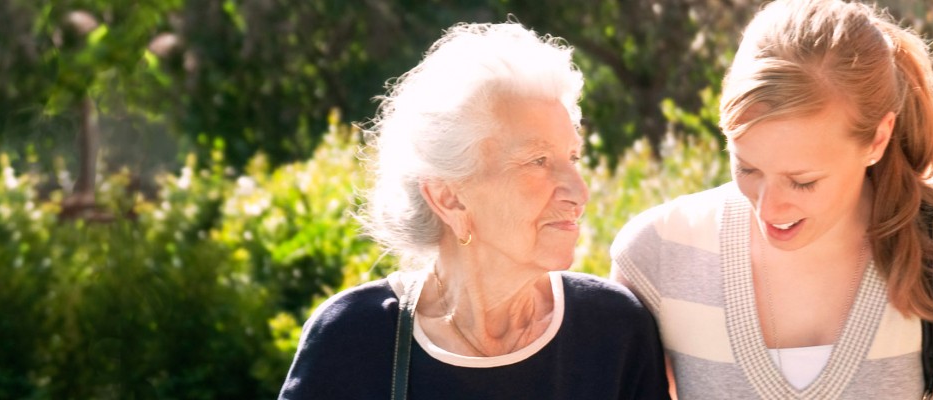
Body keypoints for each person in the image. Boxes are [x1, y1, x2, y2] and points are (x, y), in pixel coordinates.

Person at [611, 1, 933, 398]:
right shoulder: (658, 253)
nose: (769, 208)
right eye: (748, 169)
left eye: (803, 181)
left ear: (878, 139)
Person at [280, 22, 669, 399]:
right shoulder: (353, 338)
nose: (579, 192)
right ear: (449, 198)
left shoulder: (612, 331)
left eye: (573, 157)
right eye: (538, 161)